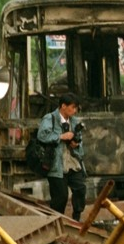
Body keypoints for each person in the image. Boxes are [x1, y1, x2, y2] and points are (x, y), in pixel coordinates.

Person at [37, 92, 87, 221]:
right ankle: (55, 221)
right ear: (63, 106)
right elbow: (41, 136)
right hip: (56, 164)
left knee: (80, 188)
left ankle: (77, 217)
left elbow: (80, 143)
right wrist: (60, 137)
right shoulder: (50, 119)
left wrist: (76, 144)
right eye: (73, 107)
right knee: (61, 196)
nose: (75, 110)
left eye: (76, 108)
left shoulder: (75, 121)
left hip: (72, 162)